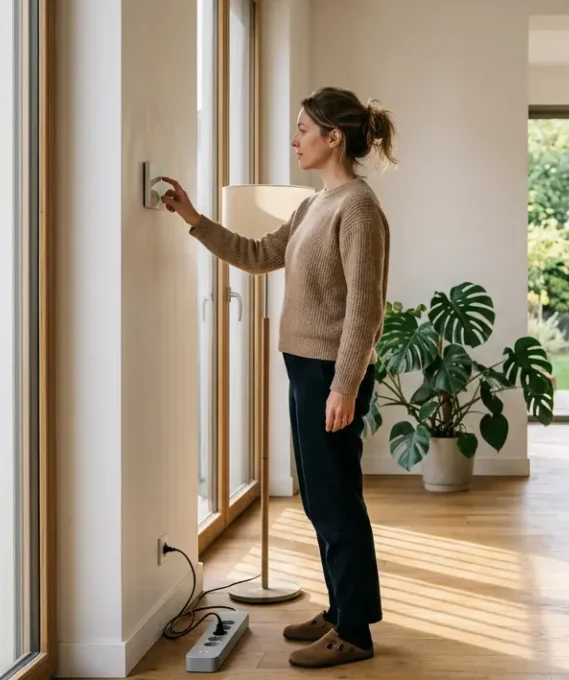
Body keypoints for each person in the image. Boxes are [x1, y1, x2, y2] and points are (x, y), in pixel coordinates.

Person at [160, 86, 394, 669]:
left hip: (329, 373)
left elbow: (366, 309)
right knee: (319, 495)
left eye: (303, 130)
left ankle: (356, 632)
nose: (295, 140)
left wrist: (344, 385)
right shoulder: (314, 205)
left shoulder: (358, 208)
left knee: (336, 498)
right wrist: (194, 218)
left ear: (333, 137)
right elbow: (261, 253)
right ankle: (341, 610)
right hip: (304, 367)